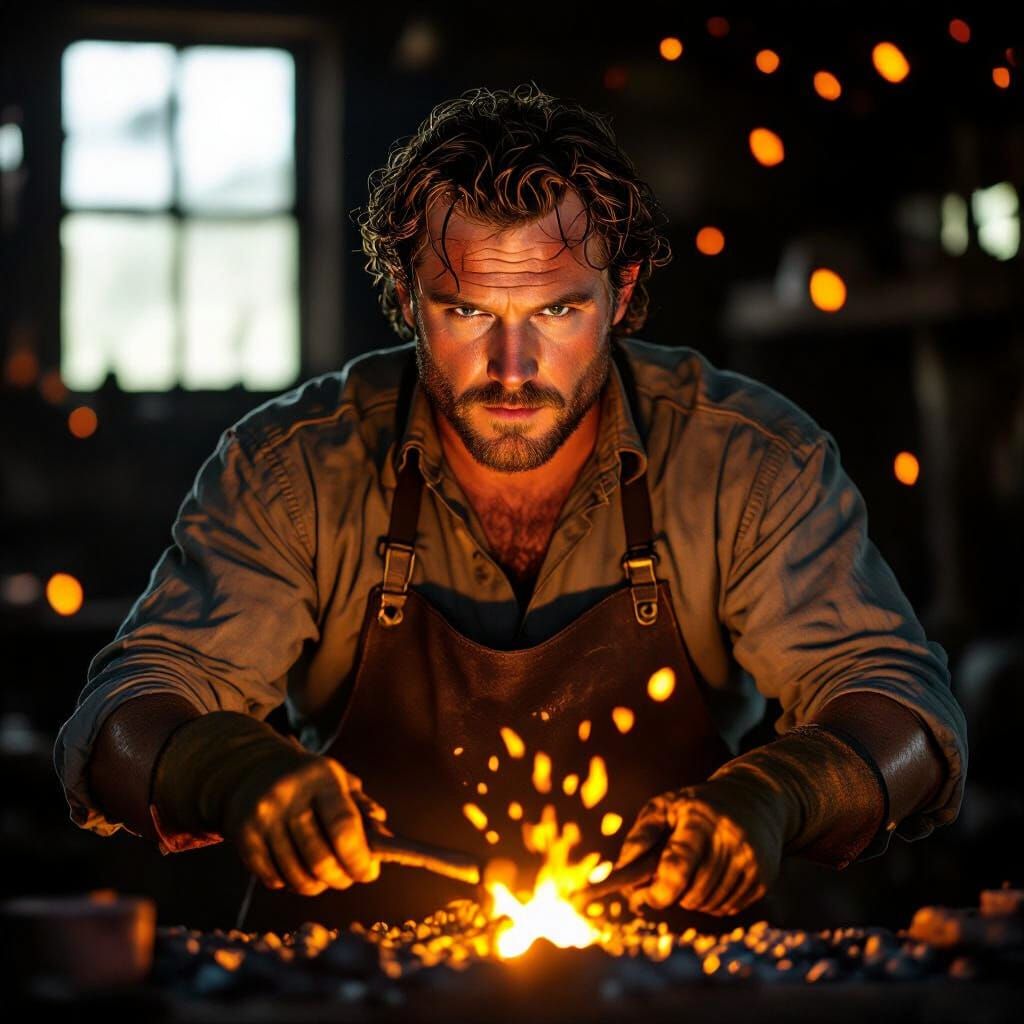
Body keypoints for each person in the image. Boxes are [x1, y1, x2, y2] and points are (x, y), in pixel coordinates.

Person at [54, 83, 966, 930]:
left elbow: (906, 715)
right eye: (469, 313)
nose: (514, 369)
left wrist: (780, 792)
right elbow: (118, 724)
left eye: (559, 312)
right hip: (356, 986)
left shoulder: (745, 462)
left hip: (671, 988)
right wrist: (230, 771)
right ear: (408, 297)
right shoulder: (295, 469)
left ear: (625, 295)